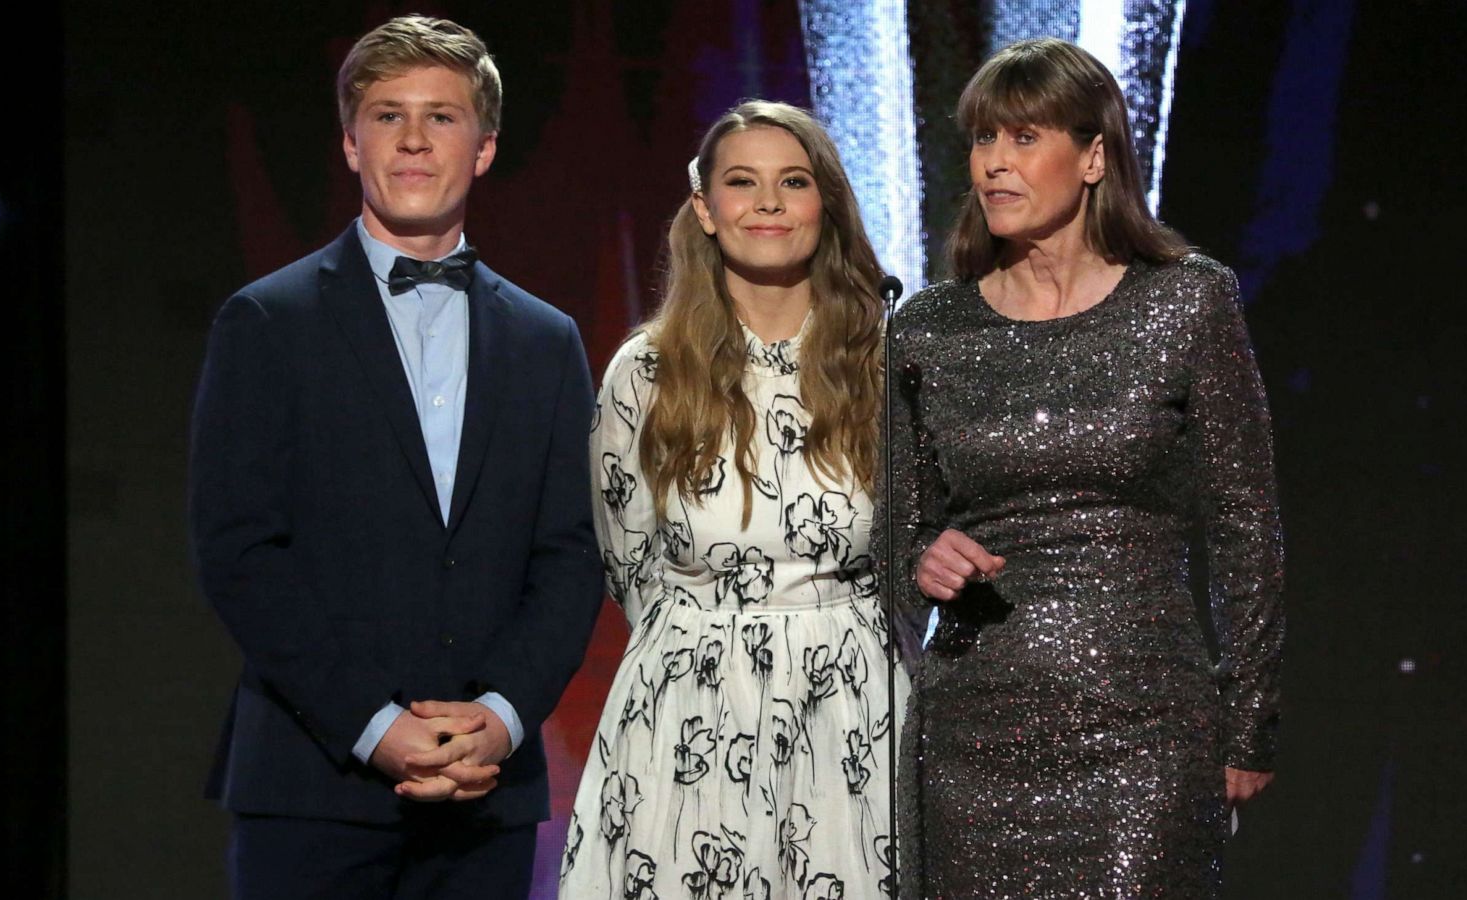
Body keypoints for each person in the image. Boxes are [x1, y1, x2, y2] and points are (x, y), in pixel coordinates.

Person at [188, 16, 602, 898]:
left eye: (442, 117)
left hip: (486, 792)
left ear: (484, 147)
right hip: (313, 786)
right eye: (387, 115)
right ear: (349, 141)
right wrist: (375, 727)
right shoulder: (266, 323)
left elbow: (571, 552)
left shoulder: (546, 339)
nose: (414, 139)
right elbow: (239, 551)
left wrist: (499, 717)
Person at [887, 38, 1284, 897]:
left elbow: (1247, 525)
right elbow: (896, 533)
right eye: (983, 141)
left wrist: (1249, 722)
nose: (995, 164)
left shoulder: (1186, 301)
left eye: (1024, 139)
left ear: (1094, 155)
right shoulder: (929, 328)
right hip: (972, 738)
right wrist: (925, 556)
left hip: (1145, 735)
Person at [557, 101, 910, 900]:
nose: (770, 203)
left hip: (852, 704)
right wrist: (717, 648)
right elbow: (627, 561)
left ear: (828, 204)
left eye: (794, 182)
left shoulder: (888, 364)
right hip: (688, 707)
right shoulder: (646, 373)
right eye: (742, 183)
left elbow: (919, 542)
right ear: (704, 209)